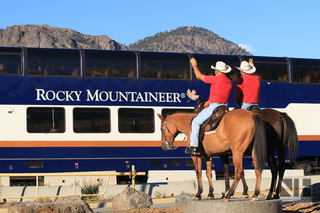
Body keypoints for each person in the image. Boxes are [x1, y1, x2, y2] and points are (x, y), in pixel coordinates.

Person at [186, 58, 233, 155]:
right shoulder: (229, 82)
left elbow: (199, 76)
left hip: (214, 107)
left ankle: (194, 147)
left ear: (216, 71)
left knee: (195, 122)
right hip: (225, 107)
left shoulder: (216, 79)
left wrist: (194, 66)